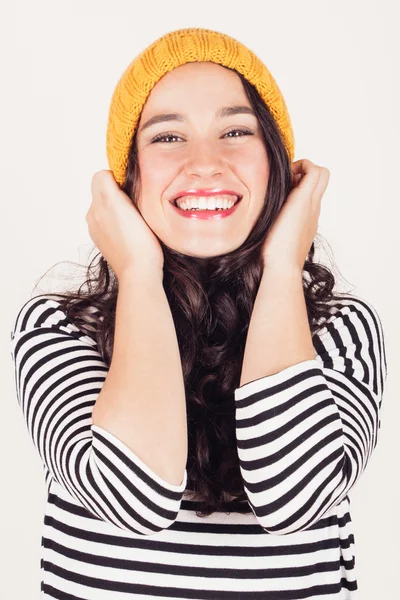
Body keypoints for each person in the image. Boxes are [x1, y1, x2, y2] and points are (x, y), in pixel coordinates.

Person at [10, 27, 387, 599]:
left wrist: (283, 267)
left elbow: (295, 500)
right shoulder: (60, 328)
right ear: (127, 178)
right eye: (167, 138)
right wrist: (139, 274)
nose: (205, 163)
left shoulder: (339, 330)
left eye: (236, 131)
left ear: (277, 164)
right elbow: (131, 497)